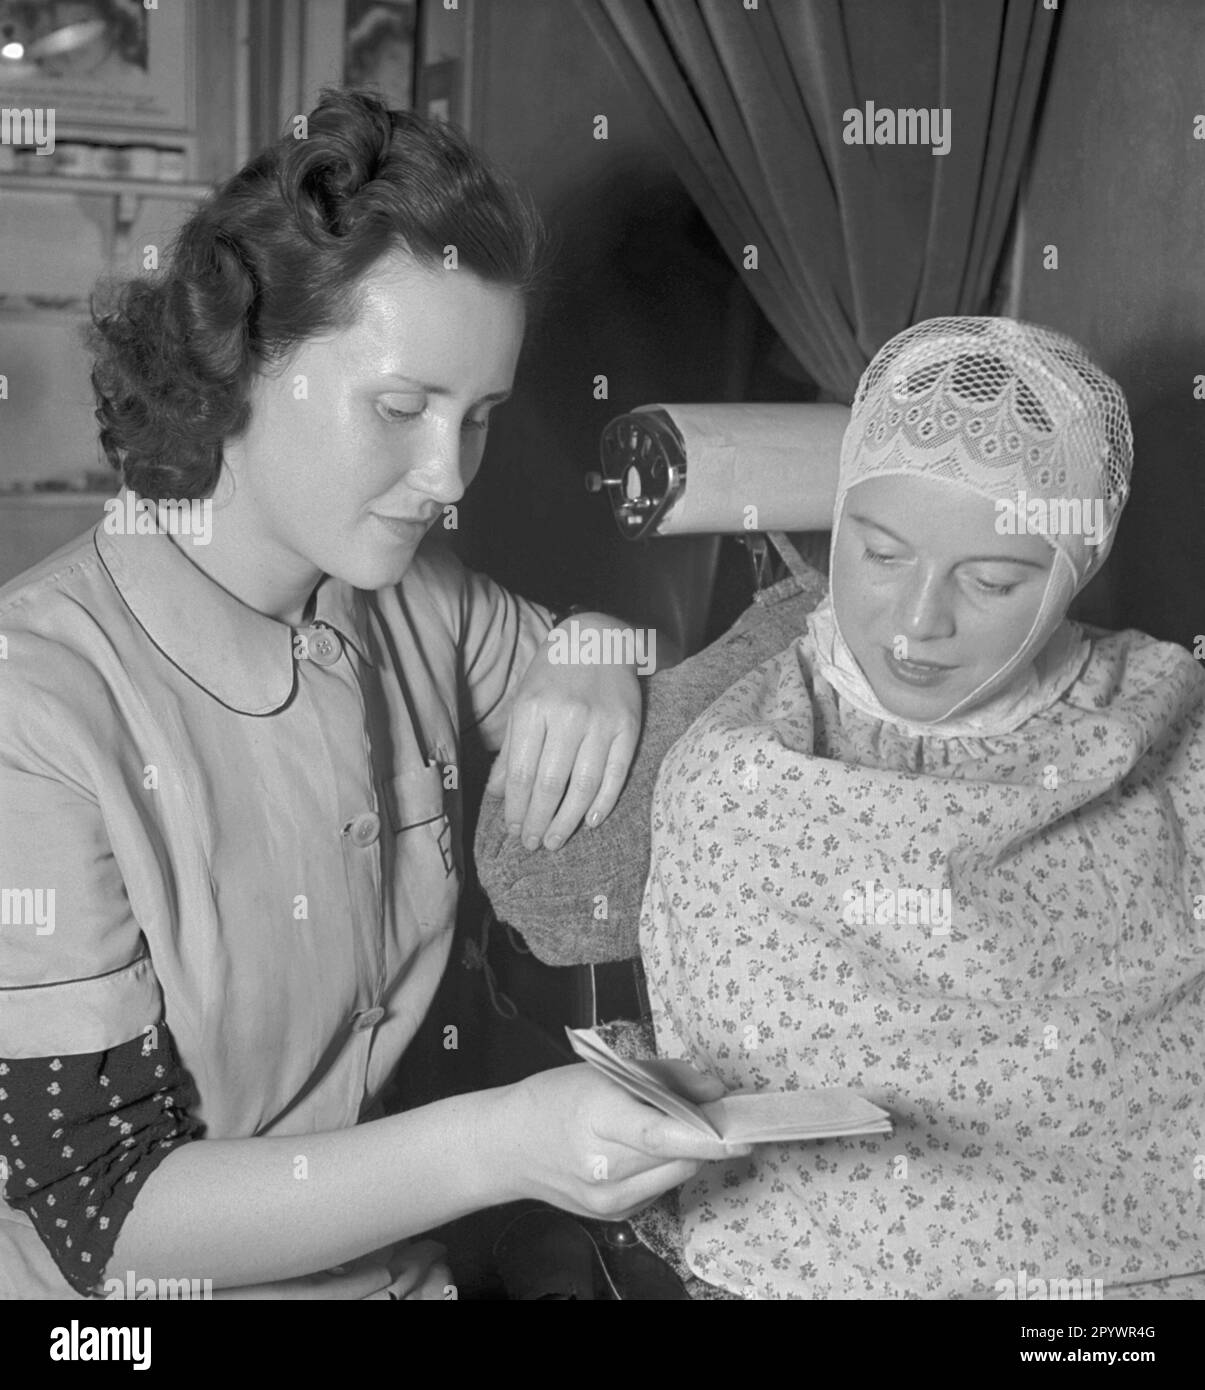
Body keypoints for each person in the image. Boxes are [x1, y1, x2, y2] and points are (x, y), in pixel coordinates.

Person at [0, 88, 744, 1301]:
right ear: (238, 358)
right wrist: (502, 1142)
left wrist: (600, 646)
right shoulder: (32, 702)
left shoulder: (417, 593)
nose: (448, 476)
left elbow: (616, 690)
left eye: (481, 418)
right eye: (400, 409)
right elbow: (104, 1210)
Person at [634, 317, 1205, 1298]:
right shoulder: (743, 770)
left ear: (1073, 568)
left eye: (989, 580)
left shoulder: (1156, 716)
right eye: (880, 552)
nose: (915, 622)